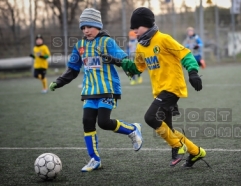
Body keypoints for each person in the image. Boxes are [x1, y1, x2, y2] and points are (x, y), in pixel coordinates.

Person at [101, 7, 208, 168]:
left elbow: (185, 53)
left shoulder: (163, 39)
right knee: (169, 130)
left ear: (147, 24)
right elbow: (137, 68)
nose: (134, 31)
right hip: (160, 91)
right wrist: (116, 60)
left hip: (172, 88)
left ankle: (178, 146)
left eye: (137, 27)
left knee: (150, 118)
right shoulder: (141, 47)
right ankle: (196, 151)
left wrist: (193, 72)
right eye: (133, 28)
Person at [48, 8, 143, 172]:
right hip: (89, 91)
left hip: (107, 89)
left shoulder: (107, 42)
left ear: (98, 26)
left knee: (104, 122)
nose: (86, 30)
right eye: (83, 28)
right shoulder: (80, 46)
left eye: (89, 27)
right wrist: (59, 81)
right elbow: (72, 69)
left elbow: (124, 59)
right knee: (87, 122)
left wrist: (114, 59)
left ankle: (133, 130)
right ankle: (94, 159)